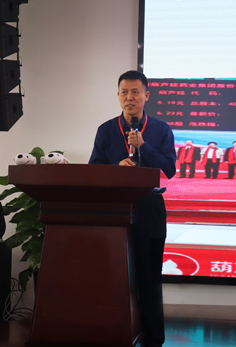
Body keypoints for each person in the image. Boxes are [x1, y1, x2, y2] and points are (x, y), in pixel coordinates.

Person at [88, 70, 175, 347]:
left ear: (146, 95)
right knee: (113, 272)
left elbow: (170, 169)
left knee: (149, 274)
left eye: (135, 92)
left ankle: (153, 337)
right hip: (114, 208)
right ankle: (112, 331)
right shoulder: (106, 129)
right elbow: (93, 169)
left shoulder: (161, 129)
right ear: (118, 96)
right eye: (124, 92)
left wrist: (144, 147)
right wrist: (116, 168)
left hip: (149, 206)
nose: (129, 97)